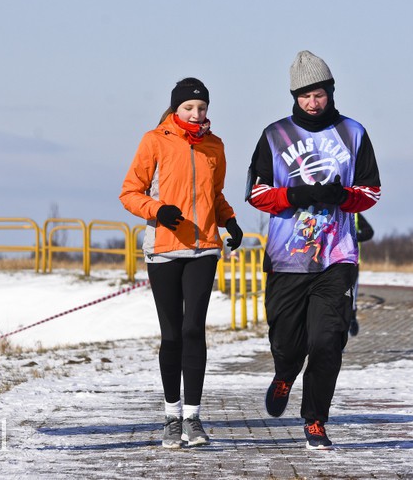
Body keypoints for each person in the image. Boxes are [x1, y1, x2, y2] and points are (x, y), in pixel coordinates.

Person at [246, 50, 381, 449]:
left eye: (319, 94)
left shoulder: (353, 133)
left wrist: (342, 196)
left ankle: (316, 420)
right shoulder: (275, 135)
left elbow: (371, 192)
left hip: (336, 257)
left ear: (330, 92)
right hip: (287, 258)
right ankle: (285, 373)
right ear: (294, 96)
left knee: (327, 340)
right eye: (304, 96)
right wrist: (296, 193)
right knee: (287, 341)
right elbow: (256, 194)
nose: (312, 103)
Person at [120, 77, 243, 449]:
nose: (196, 113)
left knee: (194, 330)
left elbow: (215, 194)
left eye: (202, 107)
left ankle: (193, 416)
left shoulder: (214, 146)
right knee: (172, 333)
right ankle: (171, 416)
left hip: (205, 247)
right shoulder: (155, 140)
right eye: (189, 107)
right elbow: (129, 193)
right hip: (163, 250)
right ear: (176, 109)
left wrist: (230, 221)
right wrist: (158, 210)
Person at [349, 213, 374, 337]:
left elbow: (369, 231)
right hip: (330, 262)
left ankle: (352, 319)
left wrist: (354, 236)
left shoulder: (355, 213)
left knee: (351, 294)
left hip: (352, 262)